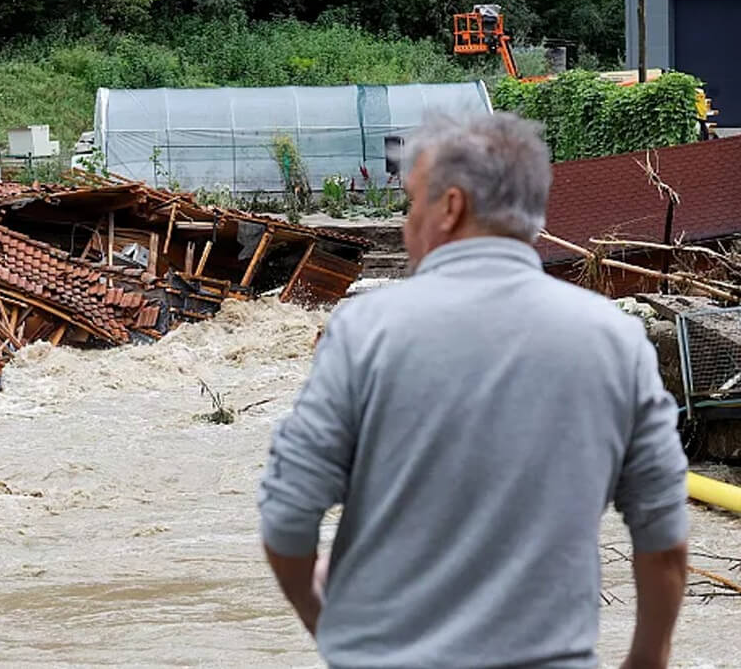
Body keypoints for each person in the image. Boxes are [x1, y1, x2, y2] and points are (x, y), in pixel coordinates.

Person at [258, 111, 688, 668]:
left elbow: (287, 518)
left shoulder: (364, 330)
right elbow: (664, 539)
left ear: (451, 206)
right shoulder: (618, 339)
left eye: (413, 202)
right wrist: (647, 660)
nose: (409, 220)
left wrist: (329, 624)